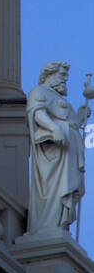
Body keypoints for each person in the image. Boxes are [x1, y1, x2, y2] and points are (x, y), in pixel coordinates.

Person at [26, 62, 94, 235]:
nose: (65, 80)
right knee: (55, 188)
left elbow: (72, 123)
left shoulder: (61, 99)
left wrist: (80, 115)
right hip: (55, 150)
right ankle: (48, 225)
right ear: (49, 75)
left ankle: (59, 225)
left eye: (66, 77)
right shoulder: (39, 92)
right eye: (62, 76)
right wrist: (53, 128)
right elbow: (38, 113)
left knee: (67, 187)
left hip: (68, 149)